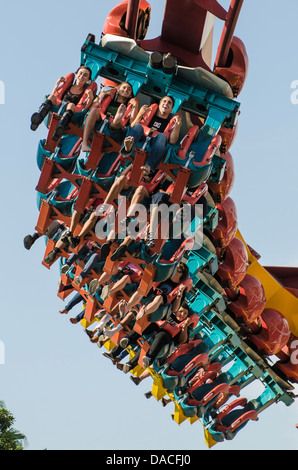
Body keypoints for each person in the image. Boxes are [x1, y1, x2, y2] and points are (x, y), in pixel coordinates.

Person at [105, 302, 193, 373]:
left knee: (155, 341)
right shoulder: (170, 314)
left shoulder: (184, 326)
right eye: (181, 311)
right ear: (176, 310)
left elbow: (182, 340)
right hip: (156, 327)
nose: (182, 314)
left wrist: (184, 327)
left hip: (165, 337)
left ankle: (134, 363)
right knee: (146, 326)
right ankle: (117, 350)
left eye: (185, 313)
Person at [121, 95, 182, 175]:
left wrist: (178, 125)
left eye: (169, 103)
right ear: (159, 104)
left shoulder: (170, 123)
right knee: (138, 126)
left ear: (171, 110)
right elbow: (132, 126)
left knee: (162, 136)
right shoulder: (149, 114)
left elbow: (172, 141)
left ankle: (149, 166)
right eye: (164, 101)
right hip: (141, 138)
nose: (166, 104)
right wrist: (140, 114)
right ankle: (127, 148)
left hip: (155, 144)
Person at [30, 66, 95, 139]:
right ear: (77, 74)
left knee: (71, 105)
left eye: (85, 75)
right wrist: (57, 83)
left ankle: (60, 128)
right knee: (51, 97)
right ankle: (38, 119)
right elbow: (54, 94)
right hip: (58, 106)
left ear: (88, 79)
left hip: (72, 114)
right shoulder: (69, 85)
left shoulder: (85, 92)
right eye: (80, 73)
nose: (81, 76)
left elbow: (84, 110)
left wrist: (90, 98)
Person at [81, 81, 139, 152]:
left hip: (116, 130)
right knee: (94, 111)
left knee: (117, 122)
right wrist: (103, 93)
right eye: (124, 87)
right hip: (102, 122)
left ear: (130, 95)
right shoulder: (108, 99)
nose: (126, 90)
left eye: (129, 89)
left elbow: (132, 124)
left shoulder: (129, 107)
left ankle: (117, 118)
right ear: (118, 90)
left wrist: (135, 106)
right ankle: (84, 143)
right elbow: (91, 108)